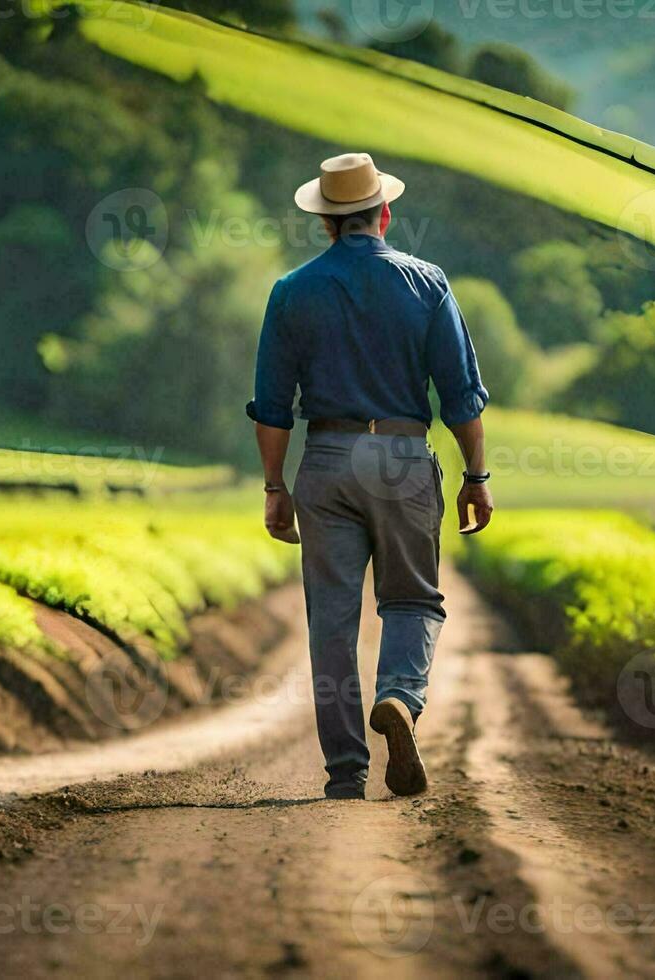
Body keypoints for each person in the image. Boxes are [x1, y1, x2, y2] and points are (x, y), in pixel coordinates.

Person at [246, 152, 494, 800]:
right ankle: (400, 699)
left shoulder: (291, 291)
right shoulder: (428, 282)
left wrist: (275, 487)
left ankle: (345, 771)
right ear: (384, 214)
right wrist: (476, 475)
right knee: (411, 599)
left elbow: (272, 406)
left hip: (326, 459)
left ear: (326, 223)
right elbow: (460, 394)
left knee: (331, 621)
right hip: (403, 457)